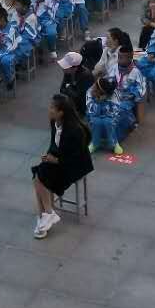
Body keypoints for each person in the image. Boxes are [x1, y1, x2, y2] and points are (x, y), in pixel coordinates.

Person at [31, 92, 93, 239]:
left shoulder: (75, 131)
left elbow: (75, 158)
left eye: (53, 108)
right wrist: (48, 157)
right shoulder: (54, 122)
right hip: (59, 159)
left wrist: (56, 161)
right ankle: (46, 215)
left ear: (61, 113)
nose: (49, 110)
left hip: (74, 166)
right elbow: (54, 145)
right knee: (39, 175)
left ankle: (45, 217)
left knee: (40, 176)